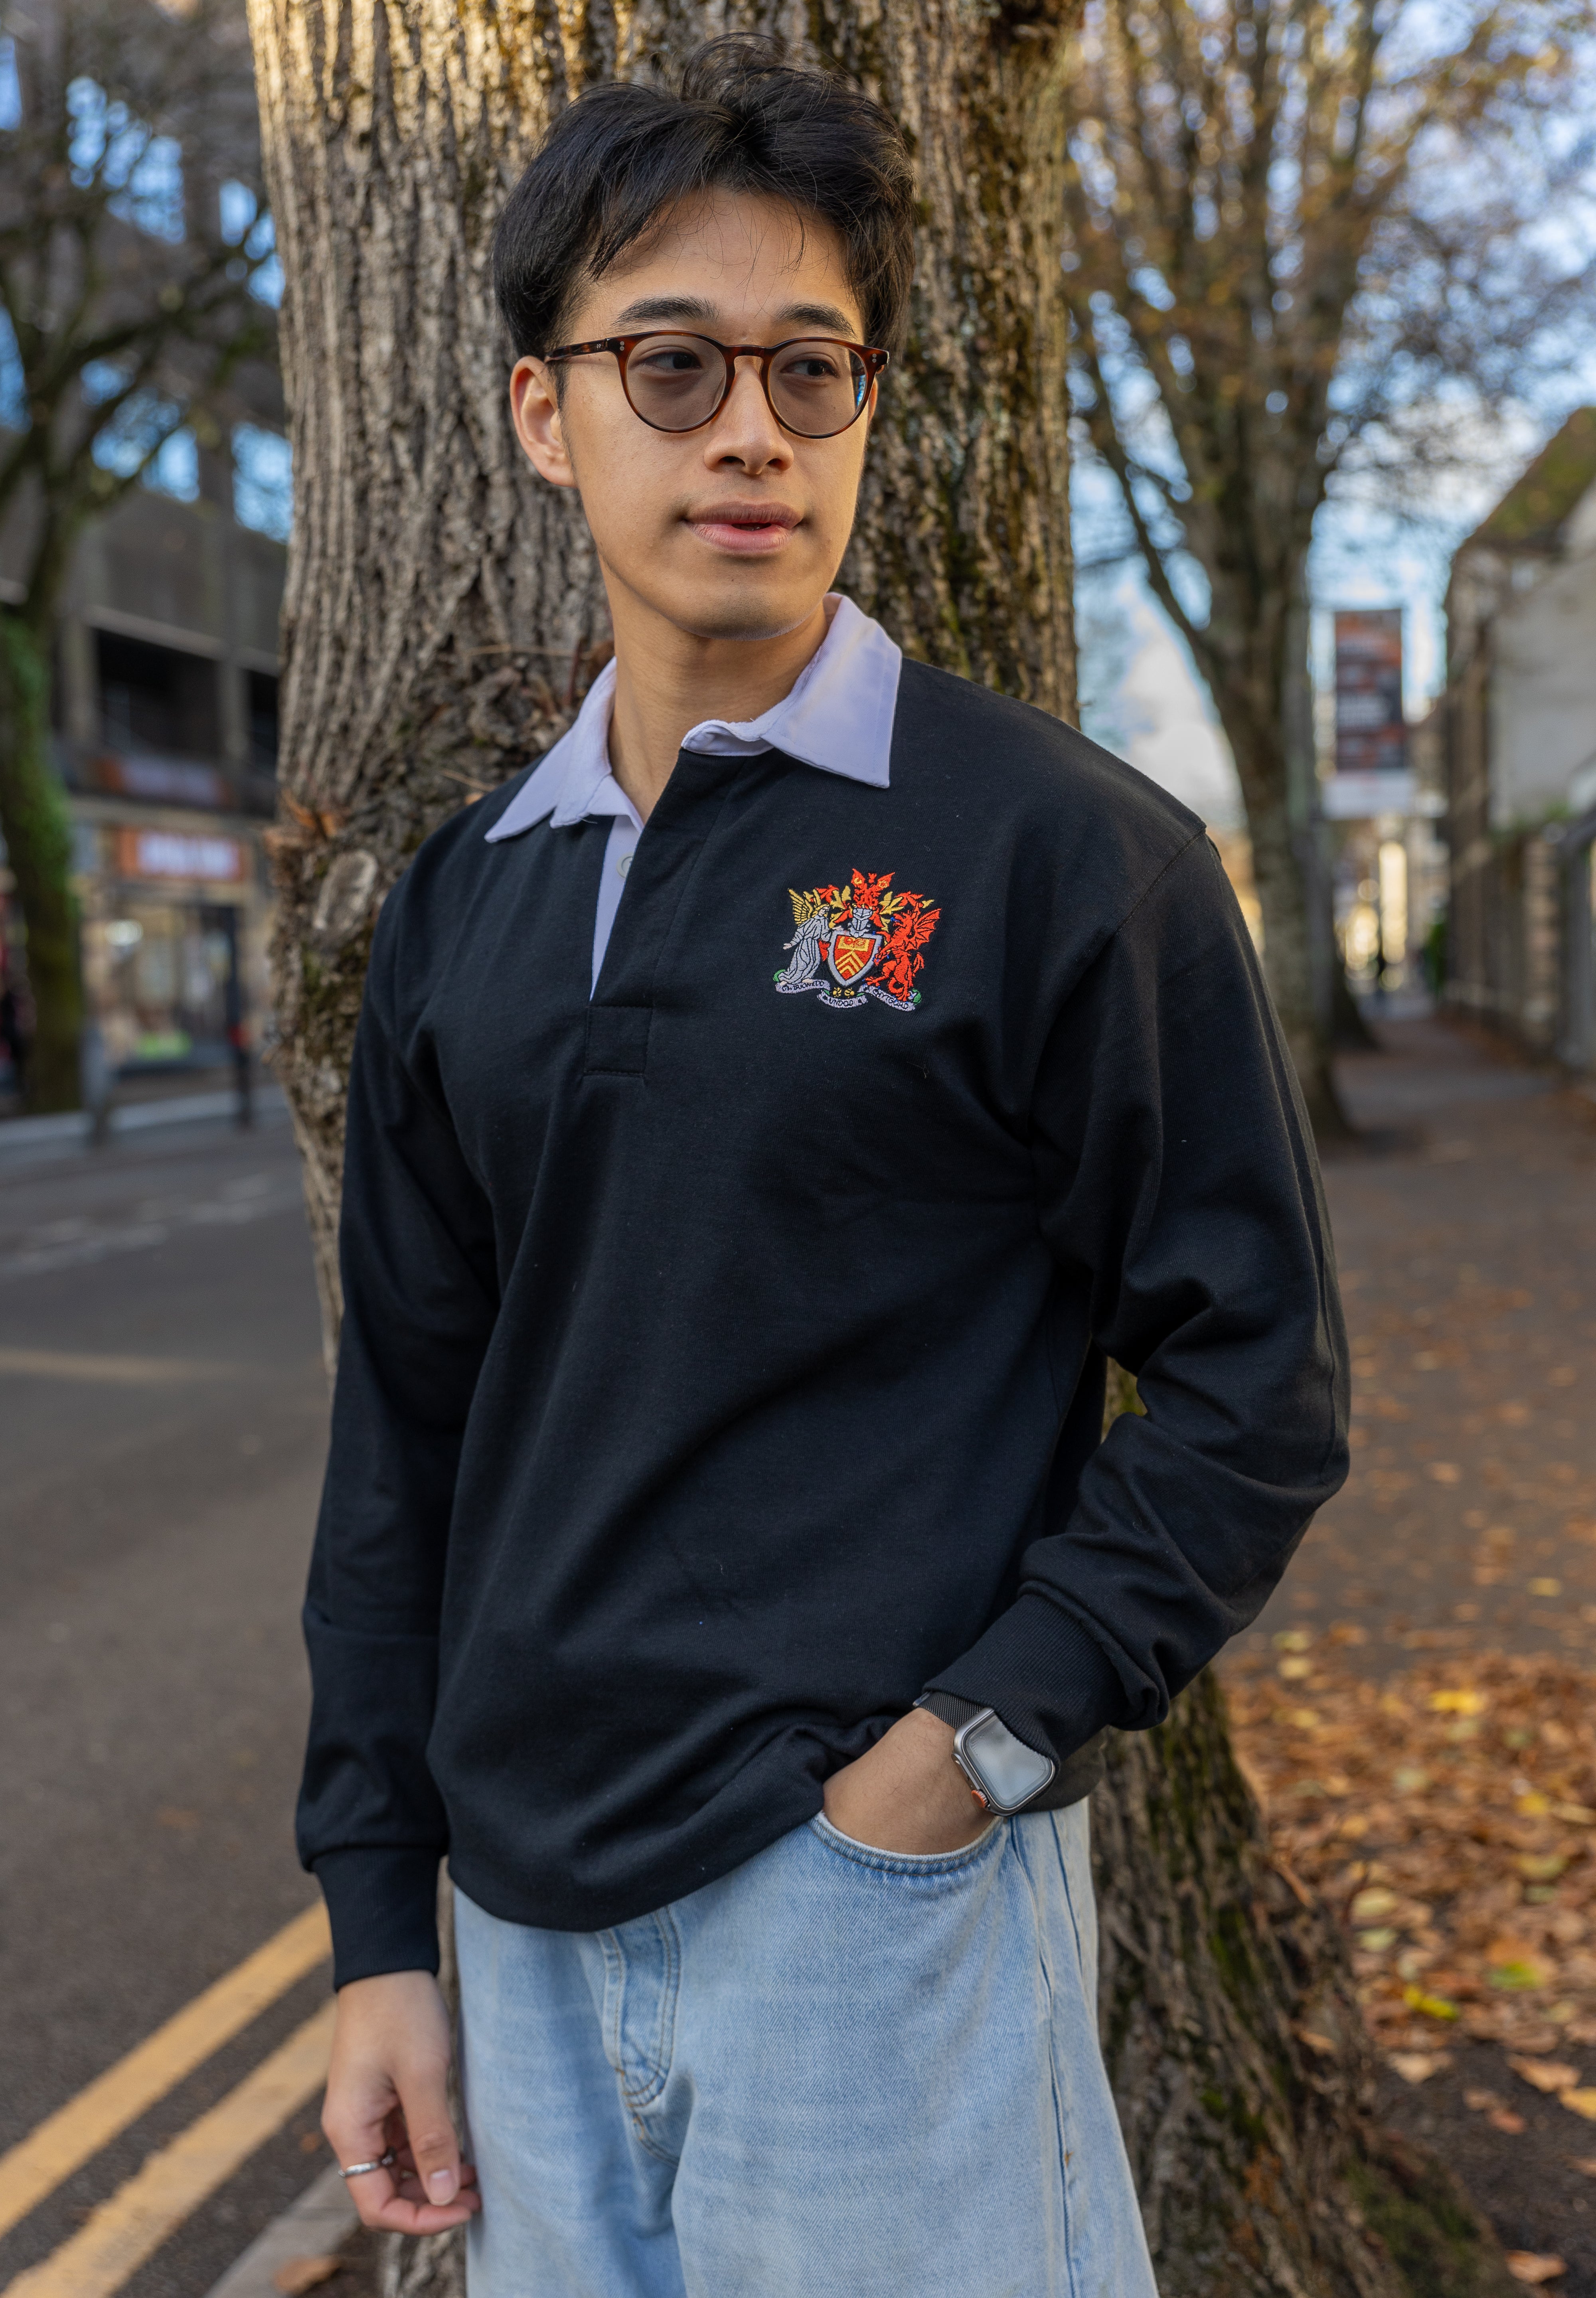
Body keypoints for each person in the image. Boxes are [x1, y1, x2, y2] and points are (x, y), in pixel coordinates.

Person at [300, 39, 1348, 2298]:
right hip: (520, 1921)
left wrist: (960, 1759)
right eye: (670, 367)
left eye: (809, 368)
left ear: (868, 406)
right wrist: (383, 1915)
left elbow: (1260, 1382)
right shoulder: (467, 901)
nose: (749, 432)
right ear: (540, 411)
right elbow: (405, 1436)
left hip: (872, 1916)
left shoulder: (1068, 860)